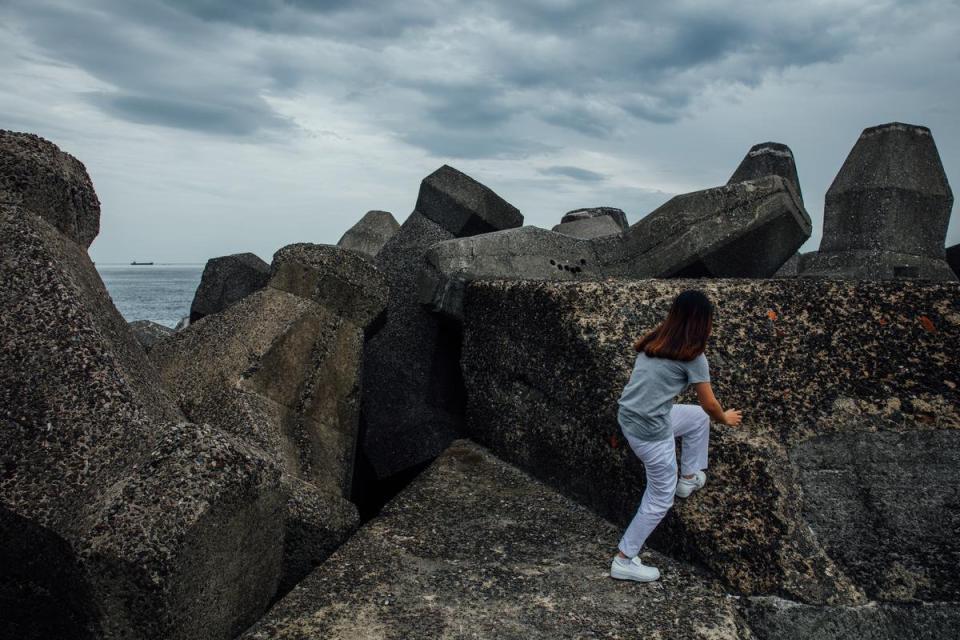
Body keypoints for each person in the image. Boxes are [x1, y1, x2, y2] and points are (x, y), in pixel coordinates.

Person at [609, 289, 742, 583]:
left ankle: (689, 478)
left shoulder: (654, 341)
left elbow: (637, 385)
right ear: (703, 323)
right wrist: (725, 418)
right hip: (651, 433)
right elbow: (710, 404)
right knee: (659, 497)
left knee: (695, 418)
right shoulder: (693, 355)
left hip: (630, 419)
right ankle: (624, 559)